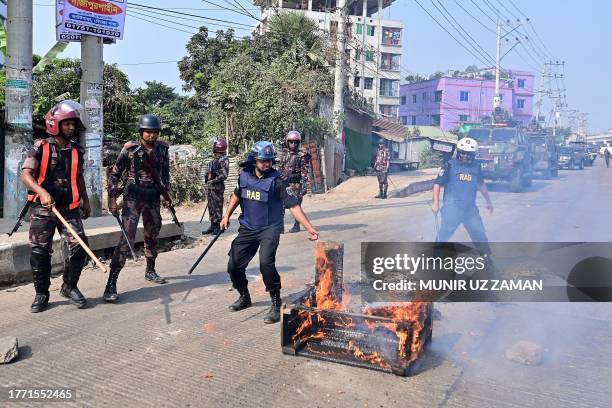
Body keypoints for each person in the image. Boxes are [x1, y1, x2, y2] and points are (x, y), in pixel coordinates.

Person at [221, 141, 319, 324]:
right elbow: (236, 194)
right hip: (248, 227)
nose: (266, 164)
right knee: (233, 266)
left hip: (270, 228)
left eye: (269, 161)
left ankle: (275, 301)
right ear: (254, 160)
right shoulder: (244, 176)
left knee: (266, 263)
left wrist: (309, 227)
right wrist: (226, 216)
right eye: (262, 161)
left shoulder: (278, 181)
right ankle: (244, 296)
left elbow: (293, 206)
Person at [21, 100, 91, 312]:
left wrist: (86, 201)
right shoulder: (41, 147)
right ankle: (41, 293)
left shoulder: (77, 151)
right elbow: (26, 175)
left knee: (80, 246)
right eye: (67, 123)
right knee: (40, 252)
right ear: (56, 124)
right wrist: (41, 192)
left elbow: (78, 177)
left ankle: (69, 286)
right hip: (43, 210)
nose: (71, 128)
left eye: (73, 124)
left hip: (69, 209)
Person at [104, 114, 171, 302]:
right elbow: (114, 175)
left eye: (155, 132)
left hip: (153, 198)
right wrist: (111, 199)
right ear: (141, 132)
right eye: (148, 132)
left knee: (153, 235)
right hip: (133, 198)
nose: (152, 135)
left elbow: (165, 174)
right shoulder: (130, 150)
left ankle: (150, 270)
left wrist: (168, 194)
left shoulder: (163, 150)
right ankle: (111, 283)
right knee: (127, 238)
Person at [431, 137, 493, 253]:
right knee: (443, 236)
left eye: (468, 154)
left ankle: (487, 261)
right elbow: (437, 184)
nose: (465, 156)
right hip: (452, 210)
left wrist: (488, 201)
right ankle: (434, 259)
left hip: (470, 211)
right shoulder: (449, 166)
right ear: (459, 153)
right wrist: (435, 203)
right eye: (463, 153)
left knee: (480, 236)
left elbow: (481, 184)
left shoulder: (476, 167)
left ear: (473, 155)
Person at [278, 130, 311, 233]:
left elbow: (305, 171)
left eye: (296, 142)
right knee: (281, 205)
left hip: (296, 184)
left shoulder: (302, 155)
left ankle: (297, 225)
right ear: (287, 142)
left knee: (296, 205)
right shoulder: (284, 153)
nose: (293, 144)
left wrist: (305, 185)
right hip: (284, 182)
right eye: (291, 142)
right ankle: (280, 227)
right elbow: (280, 167)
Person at [202, 138, 229, 235]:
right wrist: (207, 176)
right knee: (211, 207)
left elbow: (224, 175)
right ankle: (212, 225)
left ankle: (218, 226)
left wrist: (213, 180)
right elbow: (209, 174)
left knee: (217, 207)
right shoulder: (214, 160)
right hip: (211, 188)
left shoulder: (224, 160)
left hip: (218, 188)